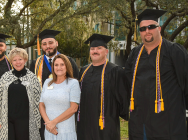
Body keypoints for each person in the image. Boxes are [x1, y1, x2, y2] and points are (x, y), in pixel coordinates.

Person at [125, 9, 188, 139]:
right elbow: (127, 82)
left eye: (151, 27)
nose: (147, 31)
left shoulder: (174, 51)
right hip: (140, 124)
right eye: (142, 29)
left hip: (168, 124)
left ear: (159, 28)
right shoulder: (134, 54)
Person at [76, 34, 130, 140]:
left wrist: (120, 113)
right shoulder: (83, 71)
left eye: (99, 48)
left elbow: (123, 97)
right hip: (85, 124)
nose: (95, 51)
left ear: (106, 51)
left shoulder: (115, 71)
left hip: (106, 124)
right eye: (92, 49)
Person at [29, 29, 79, 139]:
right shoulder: (35, 64)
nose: (48, 46)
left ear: (56, 43)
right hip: (42, 114)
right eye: (44, 44)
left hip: (65, 115)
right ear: (41, 46)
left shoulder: (69, 62)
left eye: (50, 43)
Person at [0, 48, 41, 140]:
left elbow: (38, 100)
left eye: (20, 59)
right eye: (14, 60)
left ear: (25, 60)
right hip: (7, 120)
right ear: (11, 62)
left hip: (26, 120)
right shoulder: (5, 77)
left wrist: (38, 121)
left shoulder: (32, 77)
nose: (18, 62)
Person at [39, 54, 80, 140]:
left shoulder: (73, 83)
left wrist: (54, 122)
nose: (59, 67)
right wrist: (48, 123)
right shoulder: (47, 82)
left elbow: (74, 108)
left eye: (62, 64)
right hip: (50, 130)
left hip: (65, 131)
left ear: (67, 66)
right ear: (53, 67)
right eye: (56, 65)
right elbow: (41, 104)